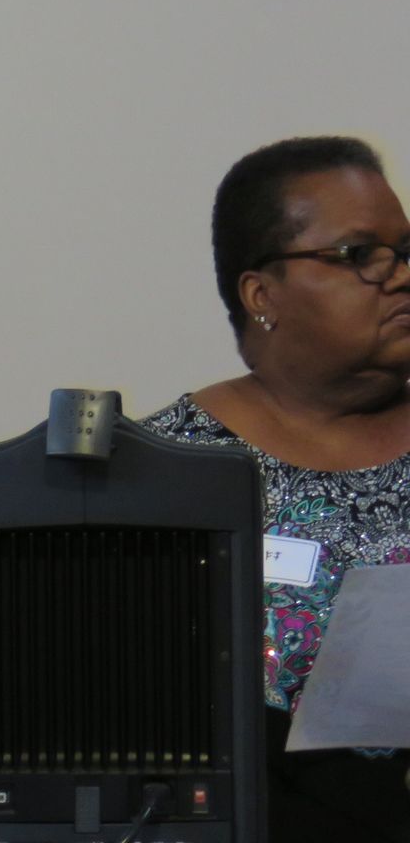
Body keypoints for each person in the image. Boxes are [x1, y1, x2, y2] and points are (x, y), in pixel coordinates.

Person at [141, 136, 410, 841]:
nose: (401, 276)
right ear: (262, 295)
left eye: (405, 252)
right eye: (361, 256)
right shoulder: (160, 470)